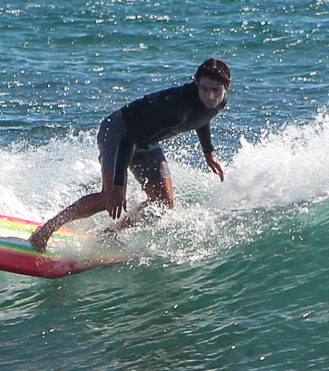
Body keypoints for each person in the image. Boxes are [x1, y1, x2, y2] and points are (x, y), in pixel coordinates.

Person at [29, 58, 231, 252]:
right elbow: (128, 139)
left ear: (227, 86)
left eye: (216, 90)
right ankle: (47, 229)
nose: (210, 96)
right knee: (109, 196)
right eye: (204, 89)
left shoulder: (218, 103)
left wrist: (208, 152)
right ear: (196, 84)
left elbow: (203, 118)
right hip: (119, 132)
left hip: (145, 141)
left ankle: (108, 235)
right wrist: (117, 187)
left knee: (163, 203)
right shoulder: (175, 108)